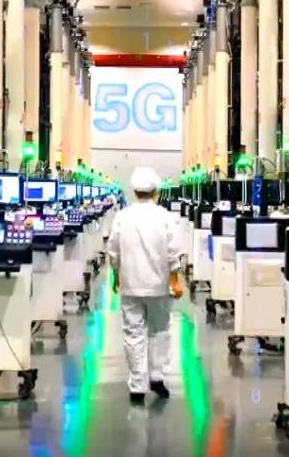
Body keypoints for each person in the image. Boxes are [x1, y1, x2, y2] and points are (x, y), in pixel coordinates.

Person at [106, 166, 185, 404]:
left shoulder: (123, 216)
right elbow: (173, 252)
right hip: (159, 286)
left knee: (133, 334)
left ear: (135, 191)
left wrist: (116, 276)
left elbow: (113, 251)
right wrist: (174, 280)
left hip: (130, 285)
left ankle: (137, 385)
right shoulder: (165, 216)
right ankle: (157, 377)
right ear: (156, 191)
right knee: (159, 331)